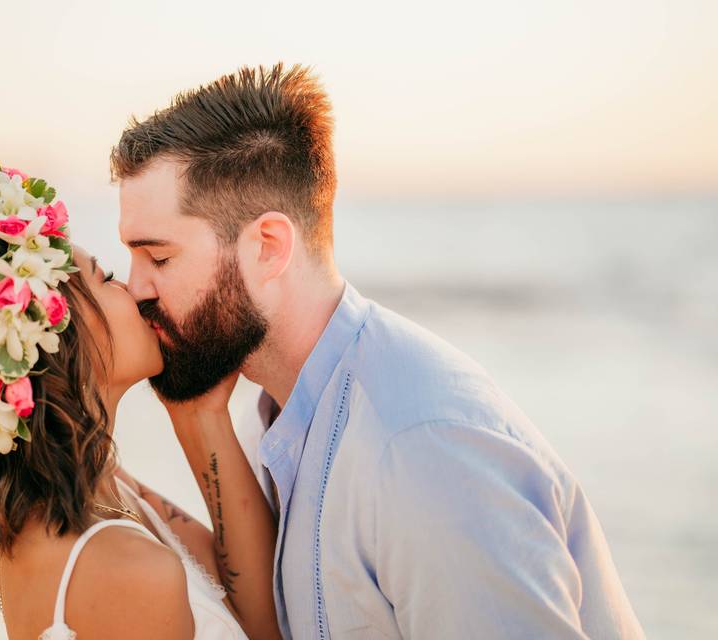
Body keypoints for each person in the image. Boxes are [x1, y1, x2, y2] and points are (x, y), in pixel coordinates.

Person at [111, 64, 646, 638]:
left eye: (159, 258)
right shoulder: (272, 419)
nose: (135, 287)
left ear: (268, 248)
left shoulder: (421, 449)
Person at [0, 166, 280, 639]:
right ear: (56, 337)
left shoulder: (87, 490)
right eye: (106, 277)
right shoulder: (126, 569)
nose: (133, 291)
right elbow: (266, 629)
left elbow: (249, 596)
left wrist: (199, 414)